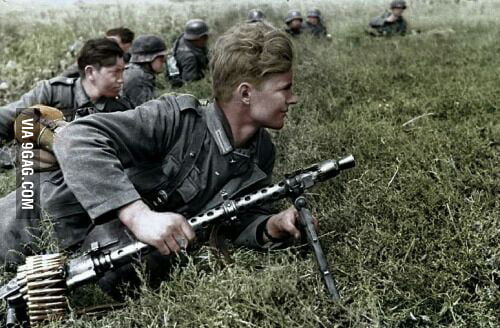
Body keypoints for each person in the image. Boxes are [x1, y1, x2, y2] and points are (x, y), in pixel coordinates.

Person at [0, 21, 303, 299]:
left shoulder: (261, 152)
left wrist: (271, 225)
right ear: (246, 93)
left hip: (74, 272)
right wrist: (139, 216)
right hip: (31, 223)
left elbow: (238, 219)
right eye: (285, 88)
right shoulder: (175, 118)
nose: (293, 99)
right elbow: (77, 138)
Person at [0, 38, 132, 266]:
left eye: (123, 72)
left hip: (79, 194)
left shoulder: (119, 109)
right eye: (115, 72)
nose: (122, 79)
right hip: (36, 186)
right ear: (91, 72)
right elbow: (8, 119)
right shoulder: (53, 93)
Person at [61, 27, 135, 78]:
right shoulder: (95, 57)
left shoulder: (132, 61)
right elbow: (67, 75)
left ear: (127, 45)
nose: (107, 44)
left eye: (113, 42)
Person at [122, 35, 167, 108]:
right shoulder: (137, 78)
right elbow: (148, 111)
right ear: (149, 59)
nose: (164, 61)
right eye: (161, 58)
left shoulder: (140, 72)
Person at [167, 19, 209, 87]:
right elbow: (190, 83)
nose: (207, 39)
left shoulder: (184, 38)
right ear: (200, 38)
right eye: (205, 37)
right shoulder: (190, 58)